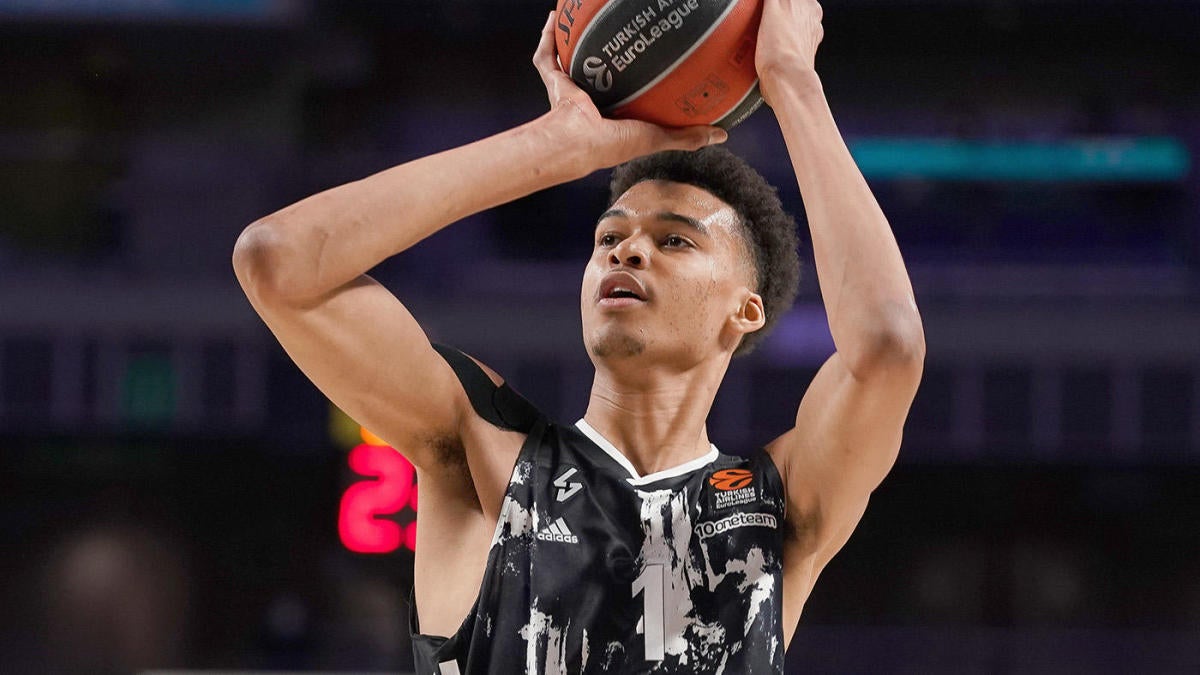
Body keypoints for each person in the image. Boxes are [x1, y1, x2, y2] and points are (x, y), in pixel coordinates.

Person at [233, 1, 924, 672]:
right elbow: (278, 262)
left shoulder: (776, 508)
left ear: (745, 309)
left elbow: (888, 345)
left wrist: (794, 84)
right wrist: (554, 148)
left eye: (674, 239)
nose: (626, 251)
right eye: (610, 236)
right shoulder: (485, 452)